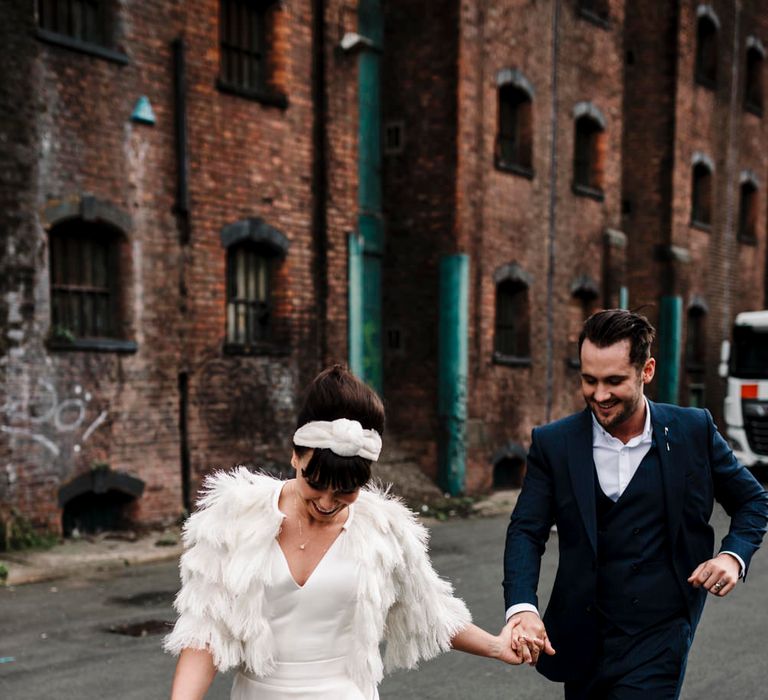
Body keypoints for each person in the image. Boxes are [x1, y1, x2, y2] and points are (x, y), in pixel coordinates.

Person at [166, 364, 530, 700]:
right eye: (315, 482)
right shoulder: (235, 518)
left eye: (345, 489)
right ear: (295, 455)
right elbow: (204, 630)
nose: (327, 501)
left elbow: (430, 611)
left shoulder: (384, 531)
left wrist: (497, 647)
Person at [503, 309, 768, 699]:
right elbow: (526, 531)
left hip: (661, 634)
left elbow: (752, 499)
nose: (600, 394)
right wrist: (522, 607)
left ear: (647, 371)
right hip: (582, 637)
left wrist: (732, 556)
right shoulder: (554, 444)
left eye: (614, 381)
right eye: (589, 380)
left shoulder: (693, 430)